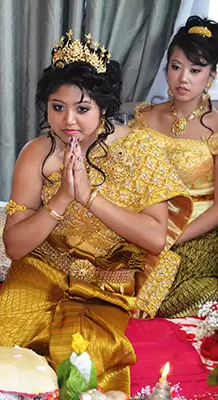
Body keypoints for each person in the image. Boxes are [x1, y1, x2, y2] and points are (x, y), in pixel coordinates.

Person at [0, 31, 191, 393]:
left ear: (104, 109)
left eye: (82, 109)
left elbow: (156, 237)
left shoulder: (141, 149)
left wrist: (89, 197)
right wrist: (61, 199)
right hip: (43, 267)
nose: (68, 122)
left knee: (81, 359)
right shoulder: (37, 152)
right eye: (57, 107)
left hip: (107, 278)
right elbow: (15, 246)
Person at [131, 16, 218, 318]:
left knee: (164, 292)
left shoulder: (216, 128)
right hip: (143, 221)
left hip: (196, 230)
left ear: (211, 76)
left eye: (196, 70)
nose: (183, 78)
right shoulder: (144, 117)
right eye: (176, 66)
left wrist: (172, 237)